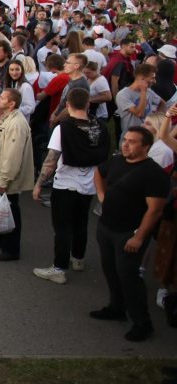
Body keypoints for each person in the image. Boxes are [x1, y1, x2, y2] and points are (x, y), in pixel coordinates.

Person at [91, 126, 171, 342]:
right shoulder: (117, 161)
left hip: (129, 233)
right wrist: (101, 194)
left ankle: (142, 322)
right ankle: (116, 308)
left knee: (128, 276)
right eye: (125, 140)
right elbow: (99, 171)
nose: (125, 144)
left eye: (132, 142)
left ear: (146, 147)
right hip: (106, 227)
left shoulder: (153, 174)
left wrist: (138, 237)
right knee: (110, 270)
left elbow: (155, 210)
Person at [31, 88, 109, 284]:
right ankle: (78, 258)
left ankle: (59, 268)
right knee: (81, 222)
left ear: (67, 105)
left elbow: (51, 160)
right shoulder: (100, 126)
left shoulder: (63, 128)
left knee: (62, 227)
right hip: (90, 183)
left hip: (66, 183)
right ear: (88, 104)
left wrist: (39, 184)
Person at [116, 62, 165, 132]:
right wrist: (143, 92)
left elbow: (162, 103)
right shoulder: (123, 94)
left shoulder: (149, 91)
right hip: (131, 135)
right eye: (152, 78)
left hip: (148, 135)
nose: (154, 81)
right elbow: (139, 113)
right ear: (142, 79)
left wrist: (156, 119)